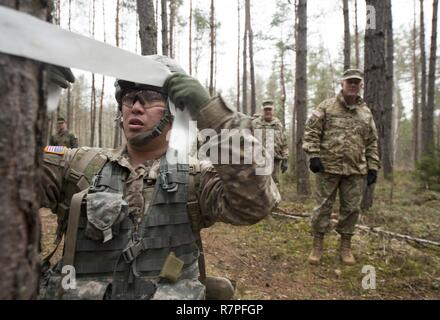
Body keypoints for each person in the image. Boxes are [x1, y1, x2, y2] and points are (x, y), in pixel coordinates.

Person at [39, 57, 280, 300]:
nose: (135, 106)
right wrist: (26, 93)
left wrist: (212, 116)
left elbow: (256, 203)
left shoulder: (195, 178)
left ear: (174, 110)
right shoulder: (77, 165)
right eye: (128, 97)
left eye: (150, 97)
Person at [302, 69, 380, 266]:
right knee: (322, 209)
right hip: (327, 168)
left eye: (357, 82)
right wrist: (313, 155)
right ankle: (317, 245)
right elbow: (311, 131)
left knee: (351, 209)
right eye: (350, 82)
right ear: (342, 84)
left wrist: (373, 166)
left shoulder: (365, 112)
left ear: (360, 85)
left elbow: (371, 141)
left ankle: (345, 246)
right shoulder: (326, 107)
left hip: (355, 171)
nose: (353, 85)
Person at [251, 99, 289, 185]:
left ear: (273, 110)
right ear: (262, 111)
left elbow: (284, 143)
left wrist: (285, 158)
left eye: (269, 109)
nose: (268, 111)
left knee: (275, 185)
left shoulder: (278, 124)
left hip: (274, 161)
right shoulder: (255, 123)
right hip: (259, 161)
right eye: (265, 109)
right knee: (260, 186)